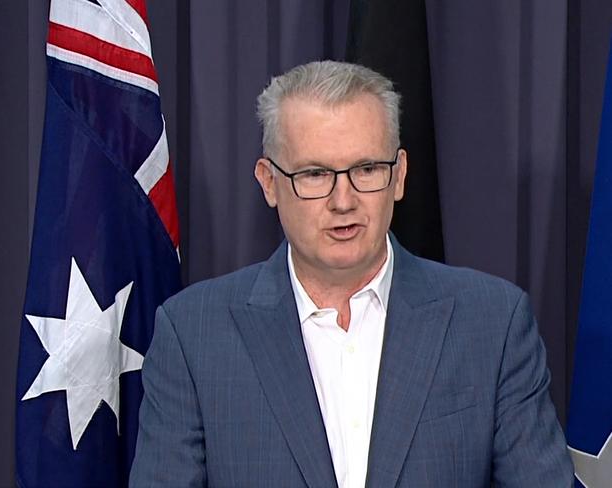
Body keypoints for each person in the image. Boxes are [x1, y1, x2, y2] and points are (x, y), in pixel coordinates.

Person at [129, 61, 573, 487]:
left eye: (366, 169)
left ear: (399, 176)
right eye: (316, 174)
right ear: (269, 182)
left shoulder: (492, 324)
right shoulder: (194, 334)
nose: (344, 200)